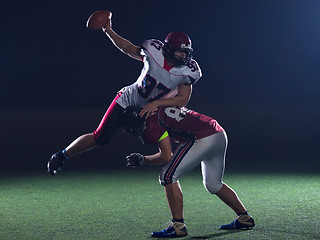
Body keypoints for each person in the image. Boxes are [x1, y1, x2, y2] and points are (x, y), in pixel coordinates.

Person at [47, 13, 202, 174]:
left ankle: (147, 164)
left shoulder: (188, 71)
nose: (183, 56)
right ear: (168, 49)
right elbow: (127, 48)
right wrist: (109, 32)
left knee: (162, 150)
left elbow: (183, 99)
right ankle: (61, 156)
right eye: (179, 52)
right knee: (101, 137)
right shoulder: (153, 51)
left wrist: (157, 104)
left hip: (153, 111)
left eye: (185, 53)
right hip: (127, 100)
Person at [119, 106, 255, 238]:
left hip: (202, 137)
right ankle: (244, 217)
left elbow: (166, 156)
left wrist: (143, 160)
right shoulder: (157, 107)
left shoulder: (151, 123)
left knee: (167, 176)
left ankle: (178, 226)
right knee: (213, 184)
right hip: (219, 133)